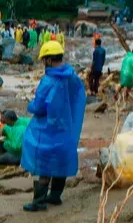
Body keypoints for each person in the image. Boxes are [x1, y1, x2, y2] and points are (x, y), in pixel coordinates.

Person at [21, 41, 86, 212]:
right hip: (66, 128)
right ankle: (55, 195)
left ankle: (39, 201)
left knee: (44, 165)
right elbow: (78, 98)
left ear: (49, 60)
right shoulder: (72, 77)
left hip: (48, 130)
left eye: (44, 60)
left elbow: (40, 106)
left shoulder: (48, 81)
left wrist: (30, 106)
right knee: (61, 161)